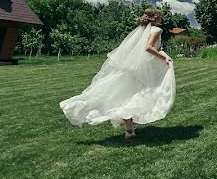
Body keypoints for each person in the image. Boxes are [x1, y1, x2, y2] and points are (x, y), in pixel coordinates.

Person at [60, 7, 175, 140]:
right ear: (155, 18)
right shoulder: (156, 30)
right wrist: (164, 57)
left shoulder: (140, 31)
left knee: (126, 95)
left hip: (131, 67)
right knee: (136, 94)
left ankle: (129, 129)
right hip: (141, 68)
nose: (161, 19)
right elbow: (148, 48)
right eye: (160, 17)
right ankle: (129, 127)